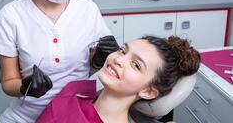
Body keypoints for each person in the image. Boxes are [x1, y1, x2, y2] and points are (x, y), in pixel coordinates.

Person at [36, 35, 201, 123]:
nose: (118, 59)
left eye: (136, 65)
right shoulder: (77, 93)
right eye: (123, 50)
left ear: (148, 91)